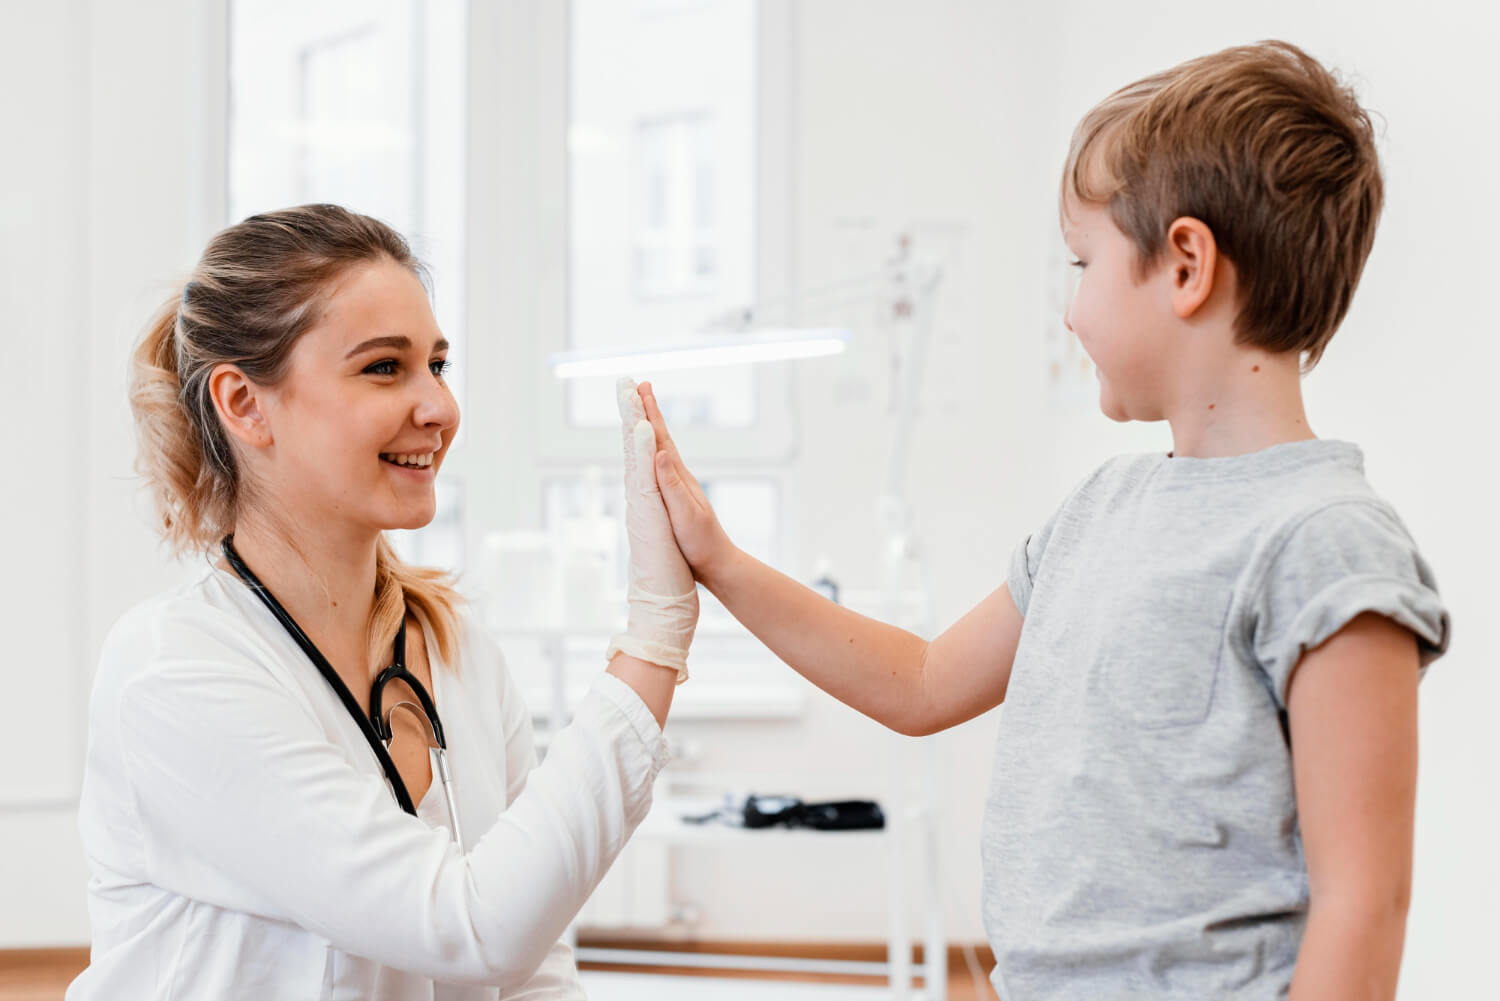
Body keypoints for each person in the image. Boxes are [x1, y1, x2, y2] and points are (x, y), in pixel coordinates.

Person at [635, 40, 1450, 1000]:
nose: (1069, 310)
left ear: (1186, 263)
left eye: (1083, 260)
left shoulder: (1329, 543)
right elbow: (923, 681)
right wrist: (719, 561)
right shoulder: (1098, 511)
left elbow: (1366, 905)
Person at [68, 204, 699, 1000]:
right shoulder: (173, 675)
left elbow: (534, 965)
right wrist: (654, 637)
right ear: (244, 403)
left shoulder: (456, 649)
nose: (438, 408)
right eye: (383, 368)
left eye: (438, 364)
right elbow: (471, 927)